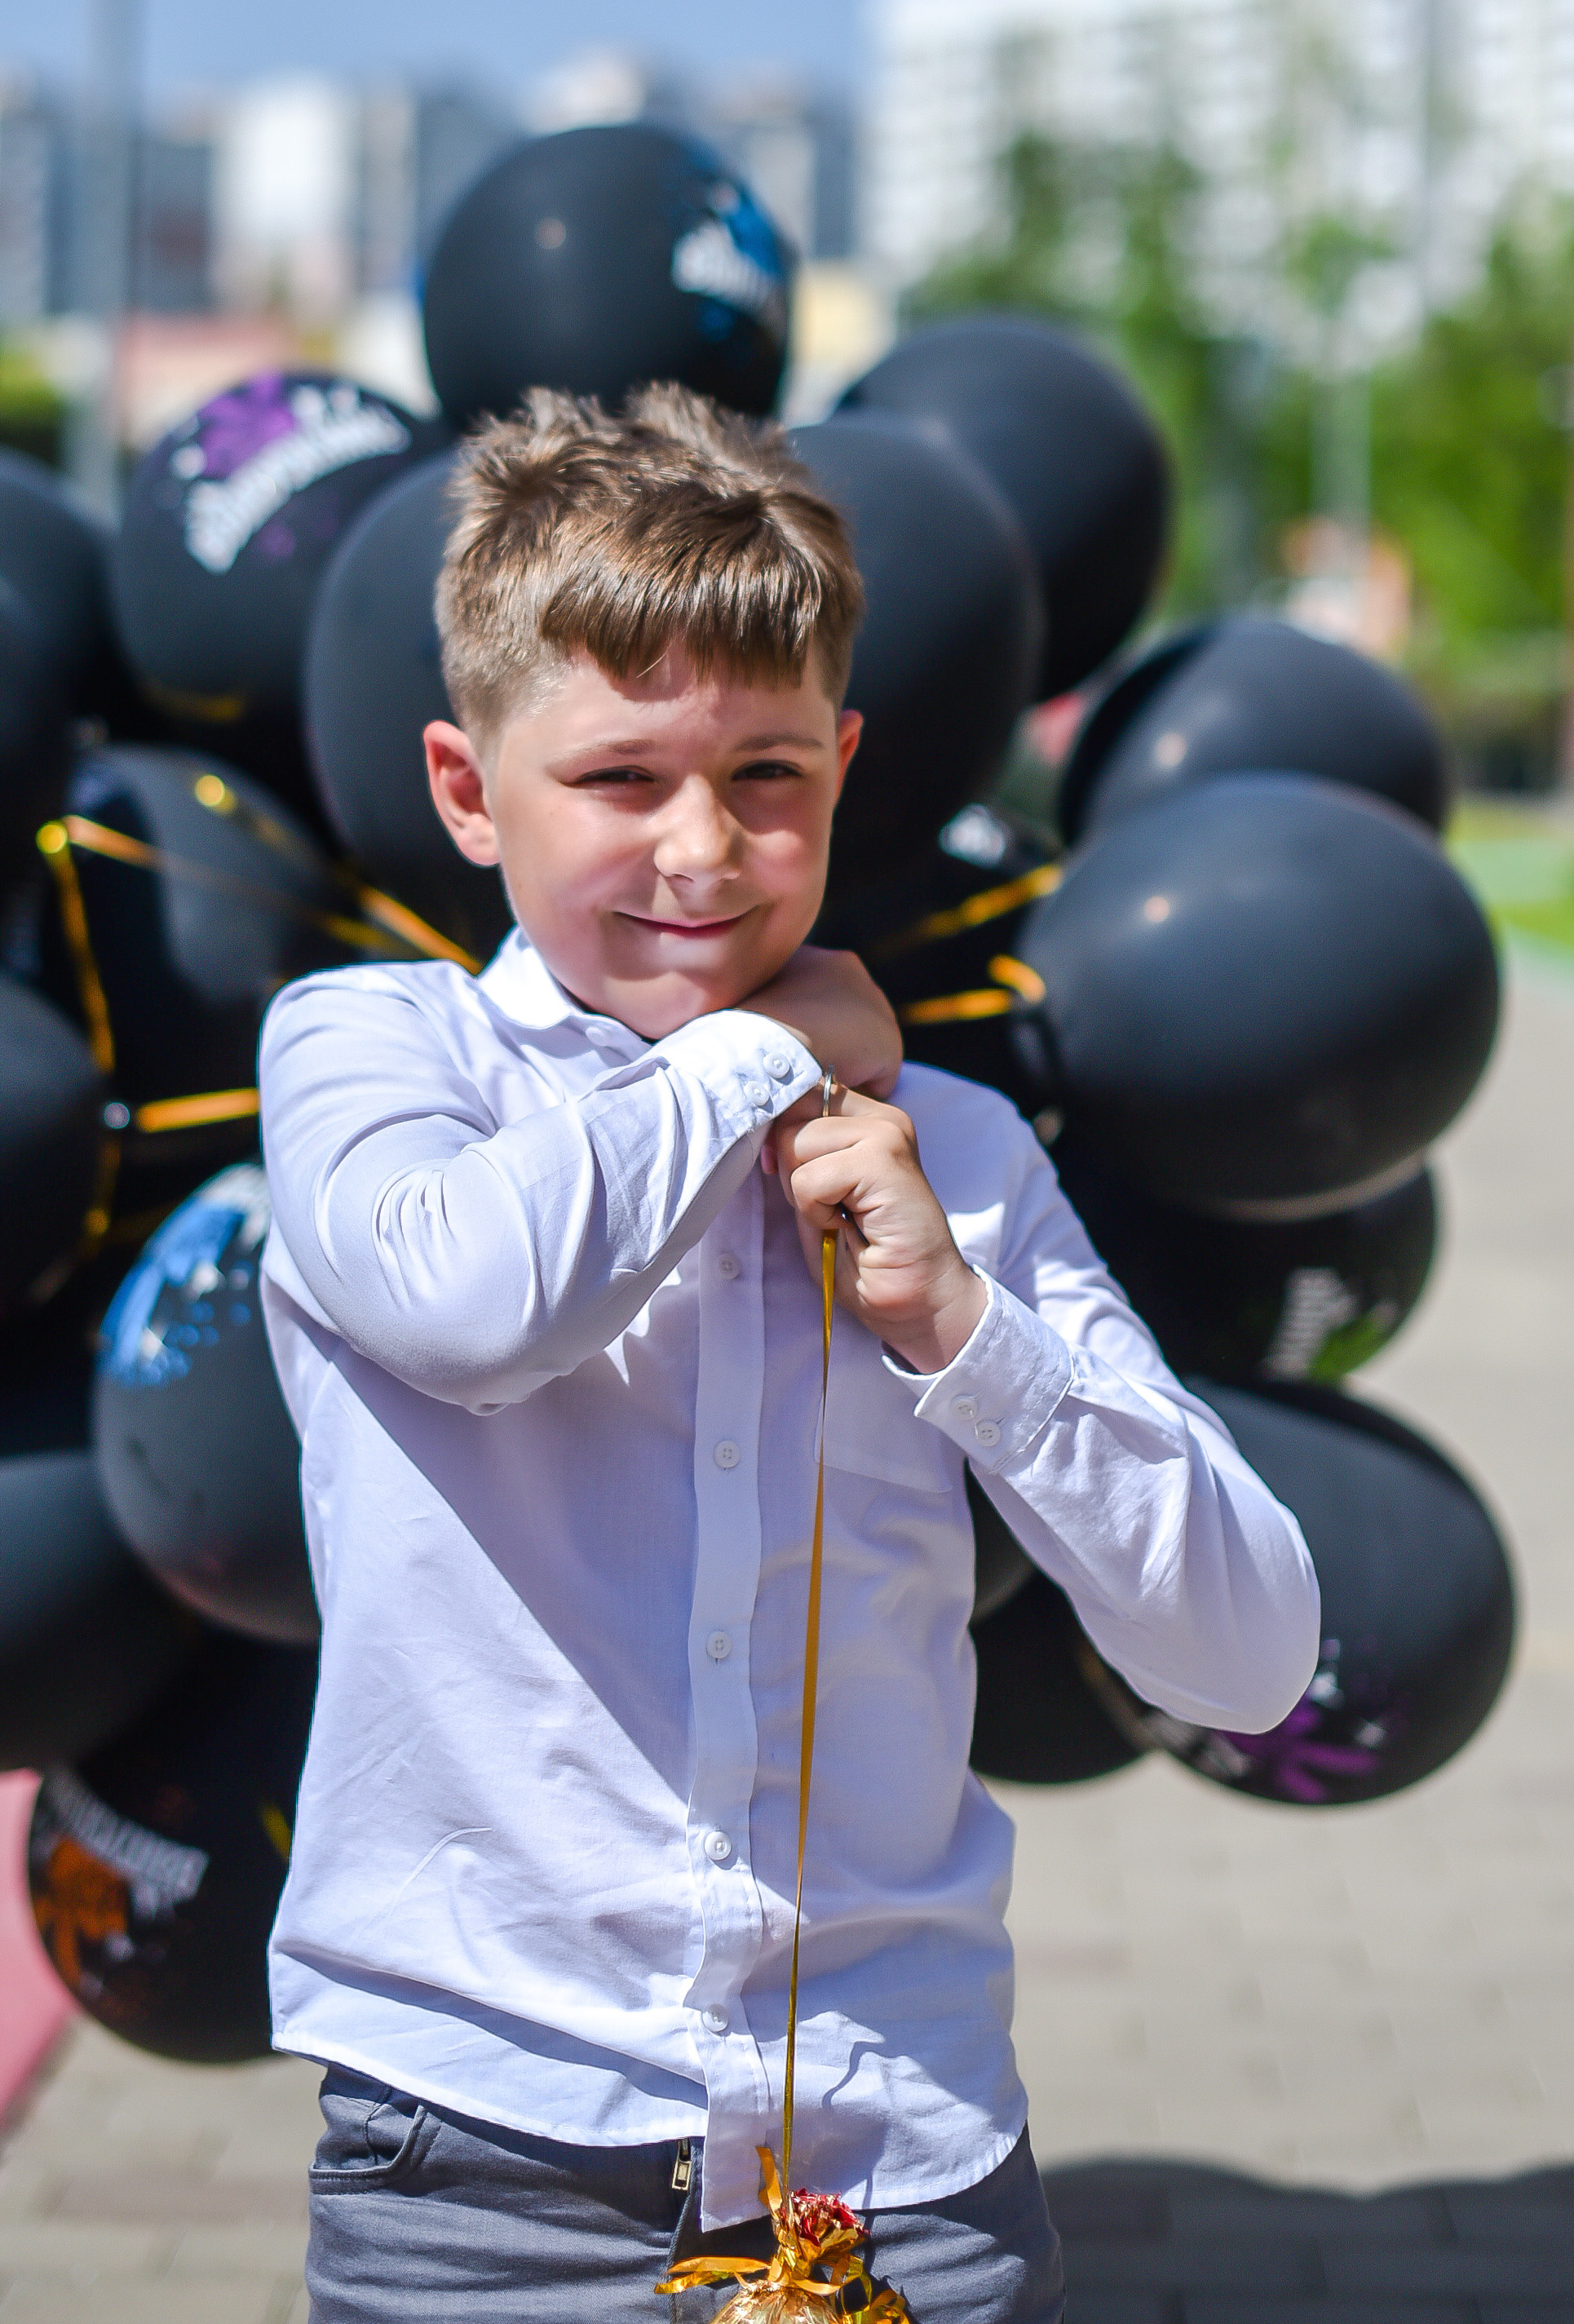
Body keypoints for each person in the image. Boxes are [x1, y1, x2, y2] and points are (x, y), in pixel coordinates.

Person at [259, 385, 1321, 2324]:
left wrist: (967, 1334)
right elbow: (464, 1306)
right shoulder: (373, 1055)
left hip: (896, 2172)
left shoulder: (964, 1159)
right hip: (479, 2173)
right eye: (616, 778)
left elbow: (1245, 1656)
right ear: (466, 786)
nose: (702, 849)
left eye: (764, 777)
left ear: (842, 767)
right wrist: (758, 1050)